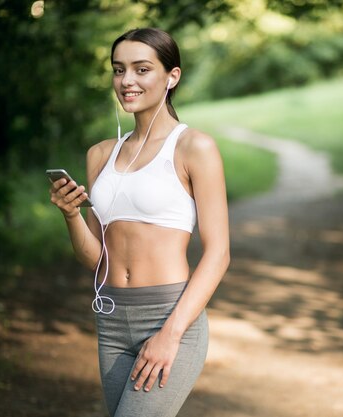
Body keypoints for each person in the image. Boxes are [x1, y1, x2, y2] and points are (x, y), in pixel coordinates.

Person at [48, 27, 230, 417]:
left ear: (172, 76)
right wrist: (70, 214)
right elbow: (96, 258)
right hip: (111, 317)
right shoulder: (99, 155)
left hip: (168, 316)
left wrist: (171, 333)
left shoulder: (194, 147)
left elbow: (218, 254)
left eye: (141, 69)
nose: (126, 81)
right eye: (118, 70)